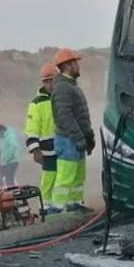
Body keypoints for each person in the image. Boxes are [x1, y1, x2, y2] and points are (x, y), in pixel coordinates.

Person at [51, 49, 94, 212]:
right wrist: (78, 137)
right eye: (75, 63)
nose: (78, 66)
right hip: (68, 140)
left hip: (76, 140)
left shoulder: (71, 86)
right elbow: (65, 117)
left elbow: (81, 116)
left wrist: (89, 138)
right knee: (66, 176)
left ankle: (74, 204)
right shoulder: (63, 88)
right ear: (67, 65)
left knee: (77, 177)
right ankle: (56, 210)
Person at [25, 64, 59, 213]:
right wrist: (35, 149)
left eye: (52, 80)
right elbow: (31, 128)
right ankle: (46, 205)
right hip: (47, 150)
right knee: (49, 177)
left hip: (63, 146)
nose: (49, 84)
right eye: (46, 81)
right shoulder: (36, 103)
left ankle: (61, 204)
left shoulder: (61, 98)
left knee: (63, 178)